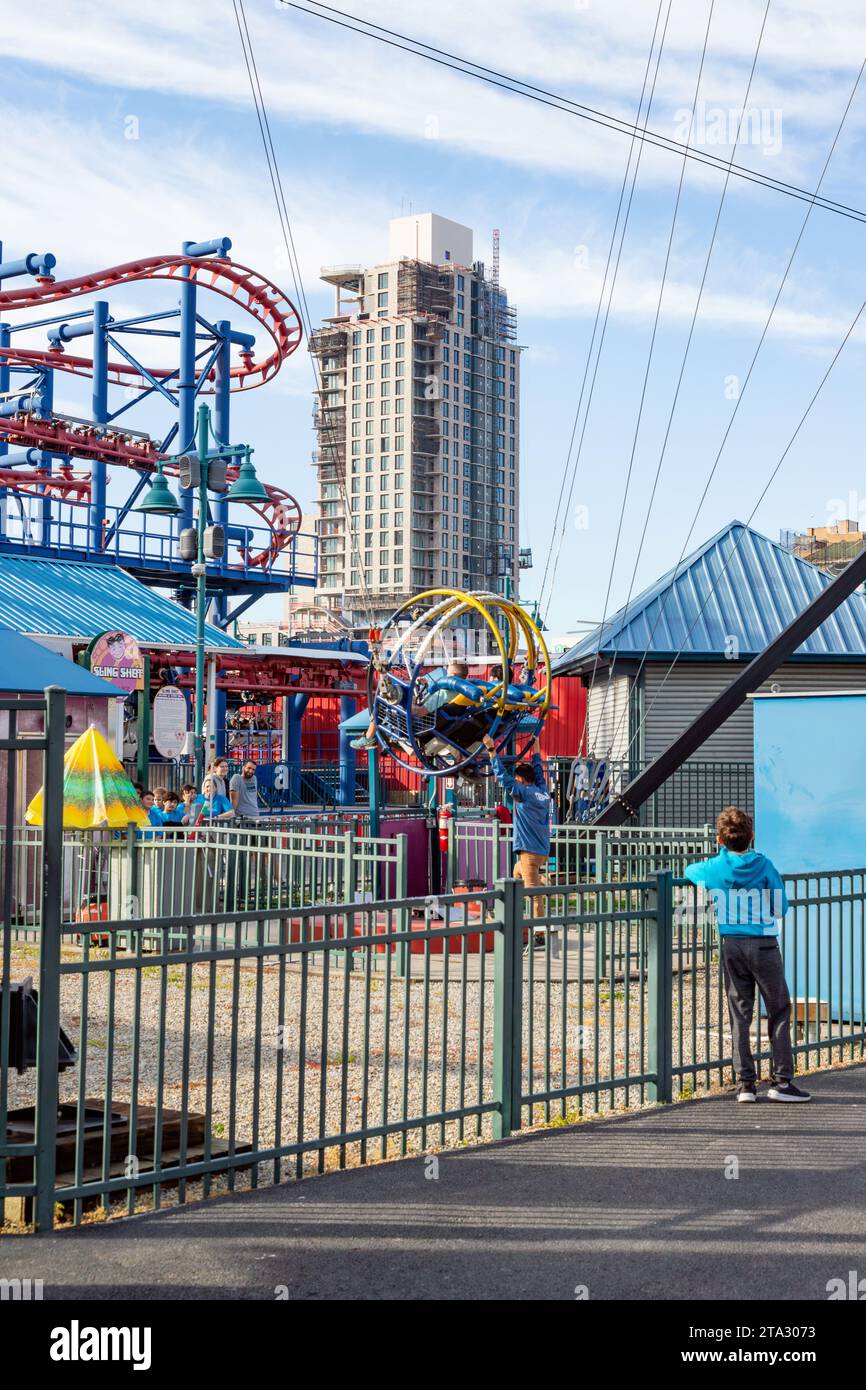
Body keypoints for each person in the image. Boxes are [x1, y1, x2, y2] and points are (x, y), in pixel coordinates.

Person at [684, 806, 810, 1104]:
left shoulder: (713, 868)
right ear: (751, 836)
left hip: (732, 944)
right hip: (764, 944)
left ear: (719, 839)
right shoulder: (764, 865)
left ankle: (746, 1084)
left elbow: (690, 871)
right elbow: (781, 909)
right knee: (778, 1009)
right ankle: (781, 1081)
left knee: (740, 1014)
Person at [483, 734, 551, 922]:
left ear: (520, 779)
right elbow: (538, 771)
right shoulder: (543, 792)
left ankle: (538, 933)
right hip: (542, 851)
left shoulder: (524, 793)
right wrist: (537, 746)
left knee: (533, 896)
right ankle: (538, 883)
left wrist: (491, 750)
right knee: (516, 873)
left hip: (529, 852)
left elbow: (503, 778)